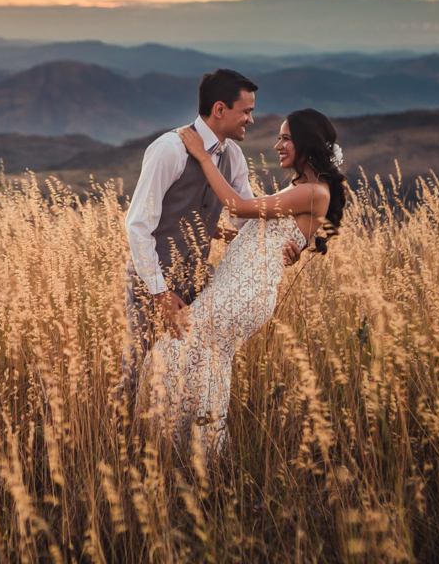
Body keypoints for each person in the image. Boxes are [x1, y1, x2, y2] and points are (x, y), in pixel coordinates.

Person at [139, 108, 347, 453]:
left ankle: (171, 448)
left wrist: (203, 157)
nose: (278, 144)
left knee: (168, 355)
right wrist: (210, 231)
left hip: (241, 294)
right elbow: (260, 236)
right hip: (241, 291)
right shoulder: (303, 190)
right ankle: (203, 454)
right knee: (206, 365)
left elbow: (238, 206)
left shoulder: (313, 192)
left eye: (286, 138)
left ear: (307, 145)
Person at [118, 69, 300, 408]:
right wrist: (160, 293)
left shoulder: (232, 156)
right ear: (220, 109)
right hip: (150, 280)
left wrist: (278, 247)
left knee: (190, 366)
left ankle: (177, 446)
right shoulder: (169, 149)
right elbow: (138, 225)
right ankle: (121, 446)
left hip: (199, 280)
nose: (252, 119)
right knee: (136, 368)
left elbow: (244, 218)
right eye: (245, 111)